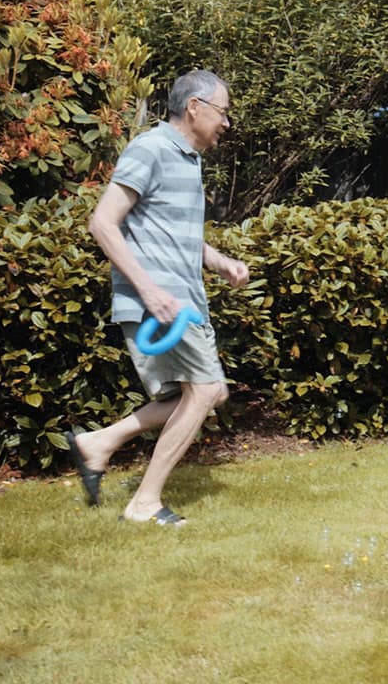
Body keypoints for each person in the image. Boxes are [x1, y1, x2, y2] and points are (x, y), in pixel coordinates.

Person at [66, 70, 249, 525]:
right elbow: (103, 223)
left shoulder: (188, 159)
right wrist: (150, 291)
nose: (226, 123)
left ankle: (99, 443)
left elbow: (174, 234)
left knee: (213, 393)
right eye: (223, 112)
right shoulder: (150, 149)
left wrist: (220, 261)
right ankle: (145, 503)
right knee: (203, 390)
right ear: (195, 107)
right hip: (161, 301)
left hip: (184, 298)